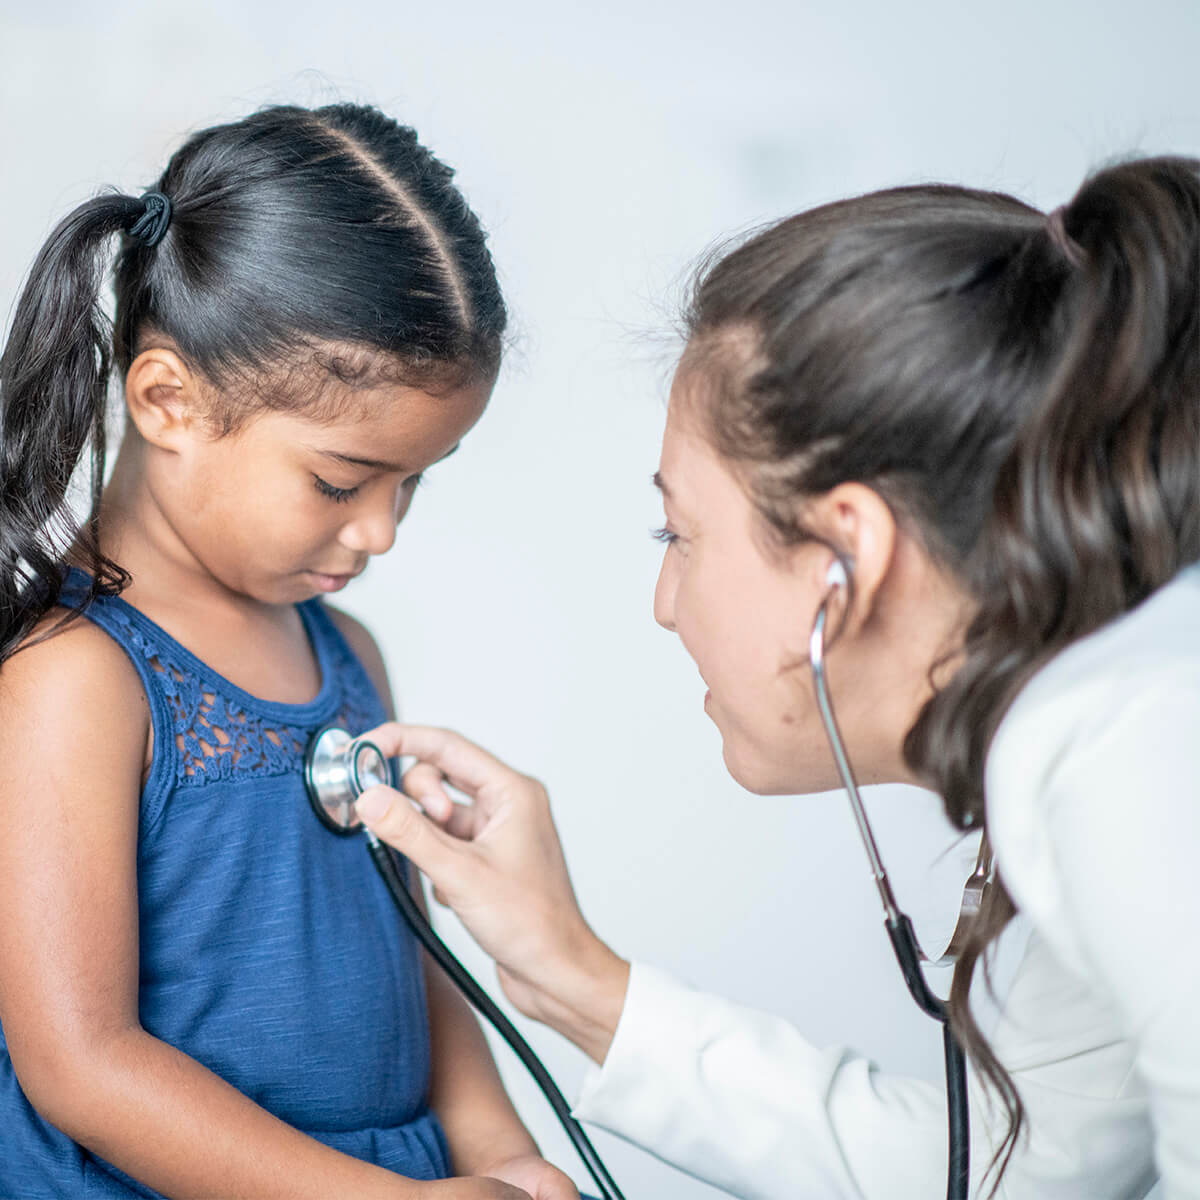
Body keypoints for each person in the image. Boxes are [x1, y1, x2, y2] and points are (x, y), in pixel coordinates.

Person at [351, 157, 1200, 1198]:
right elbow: (1016, 1176)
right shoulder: (1113, 736)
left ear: (845, 557)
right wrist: (569, 969)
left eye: (681, 531)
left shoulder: (1132, 751)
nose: (664, 602)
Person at [0, 103, 579, 1200]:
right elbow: (82, 1065)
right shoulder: (75, 678)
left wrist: (505, 1157)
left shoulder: (346, 652)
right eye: (340, 481)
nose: (381, 533)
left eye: (415, 482)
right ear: (170, 401)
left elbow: (411, 950)